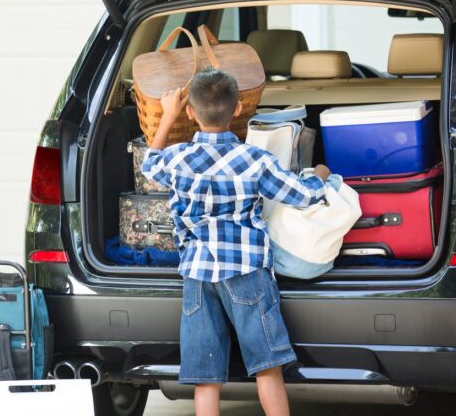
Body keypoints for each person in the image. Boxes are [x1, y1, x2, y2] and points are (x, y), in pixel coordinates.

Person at [141, 69, 330, 416]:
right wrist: (320, 176)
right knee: (267, 364)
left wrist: (166, 117)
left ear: (190, 113)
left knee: (206, 376)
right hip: (246, 270)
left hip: (197, 272)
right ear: (240, 108)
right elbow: (302, 196)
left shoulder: (178, 158)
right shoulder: (256, 160)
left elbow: (149, 166)